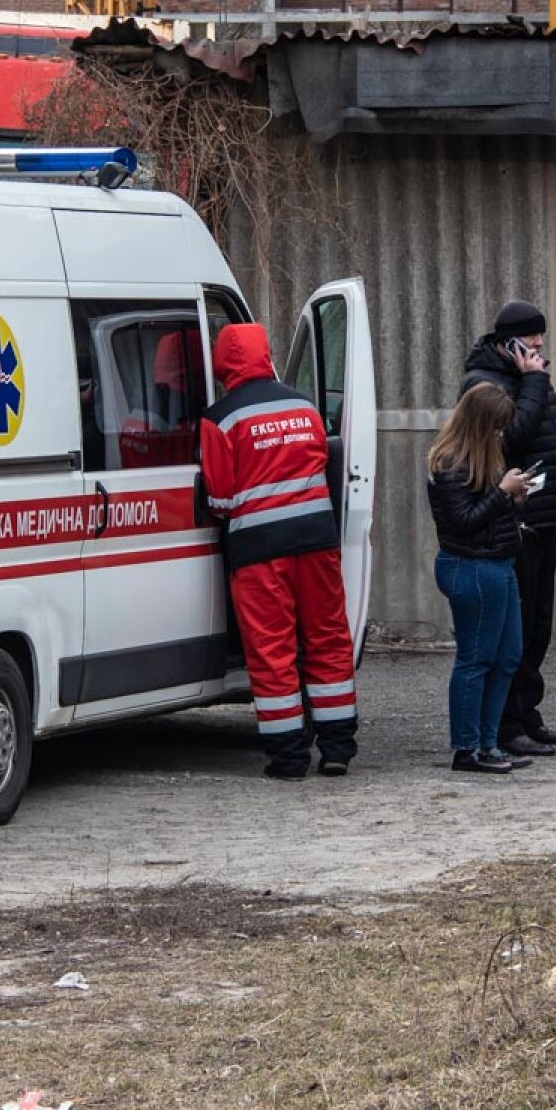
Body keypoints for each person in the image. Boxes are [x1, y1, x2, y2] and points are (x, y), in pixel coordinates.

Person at [200, 323, 358, 780]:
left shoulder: (220, 418)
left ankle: (288, 757)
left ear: (223, 363)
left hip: (259, 550)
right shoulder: (304, 405)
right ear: (265, 353)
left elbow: (221, 499)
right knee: (328, 640)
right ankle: (337, 749)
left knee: (273, 651)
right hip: (316, 541)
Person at [460, 300, 556, 758]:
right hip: (518, 521)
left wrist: (533, 381)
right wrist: (533, 382)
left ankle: (527, 714)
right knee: (517, 627)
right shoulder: (483, 384)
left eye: (541, 338)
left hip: (546, 517)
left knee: (539, 625)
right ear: (508, 342)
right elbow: (515, 439)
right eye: (531, 339)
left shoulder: (529, 377)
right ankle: (505, 724)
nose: (540, 346)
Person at [428, 383, 534, 773]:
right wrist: (503, 495)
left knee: (506, 656)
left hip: (498, 564)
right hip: (471, 567)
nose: (501, 435)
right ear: (479, 425)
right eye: (496, 427)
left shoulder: (485, 457)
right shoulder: (450, 463)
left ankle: (489, 743)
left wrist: (516, 500)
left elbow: (489, 518)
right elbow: (464, 522)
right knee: (476, 659)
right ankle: (467, 748)